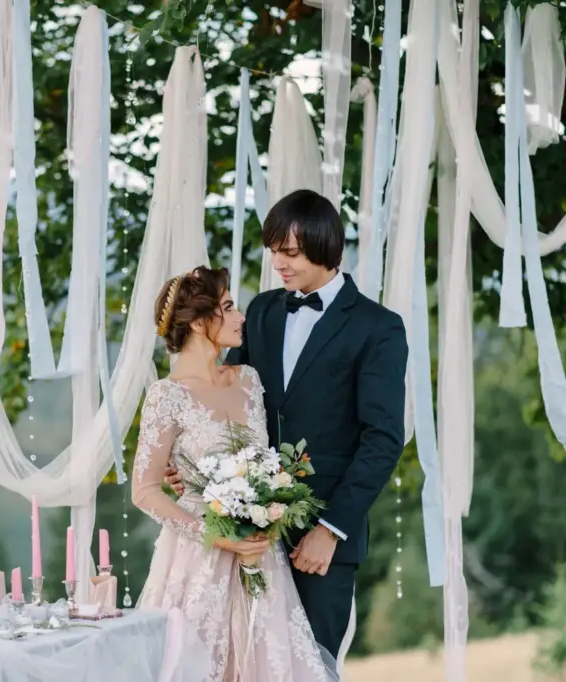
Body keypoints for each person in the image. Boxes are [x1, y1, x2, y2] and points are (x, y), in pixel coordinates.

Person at [163, 189, 408, 659]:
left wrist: (331, 529)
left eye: (290, 252)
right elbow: (226, 402)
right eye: (274, 250)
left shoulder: (379, 328)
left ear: (324, 246)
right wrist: (191, 465)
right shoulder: (262, 311)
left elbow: (383, 439)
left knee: (310, 664)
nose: (279, 262)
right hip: (243, 534)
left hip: (322, 540)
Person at [133, 265, 339, 682]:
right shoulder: (166, 396)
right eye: (227, 307)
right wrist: (213, 533)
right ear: (196, 322)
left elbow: (262, 462)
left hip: (262, 554)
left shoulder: (248, 380)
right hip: (198, 557)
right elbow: (145, 490)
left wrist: (270, 507)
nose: (240, 316)